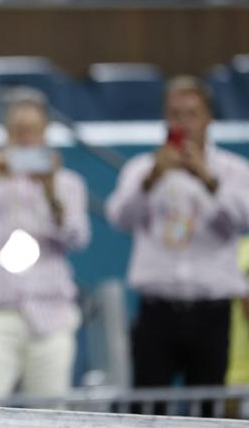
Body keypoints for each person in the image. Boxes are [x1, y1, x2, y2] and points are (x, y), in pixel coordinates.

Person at [105, 75, 249, 414]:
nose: (182, 122)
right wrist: (154, 177)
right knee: (146, 411)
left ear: (208, 119)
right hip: (157, 311)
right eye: (175, 114)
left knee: (209, 413)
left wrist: (208, 178)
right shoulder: (142, 168)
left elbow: (244, 218)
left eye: (191, 113)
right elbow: (119, 217)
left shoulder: (232, 169)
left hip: (212, 310)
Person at [0, 89, 91, 400]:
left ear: (45, 133)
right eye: (18, 131)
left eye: (32, 131)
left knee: (50, 419)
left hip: (51, 315)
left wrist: (50, 190)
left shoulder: (66, 182)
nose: (24, 139)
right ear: (6, 133)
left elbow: (77, 237)